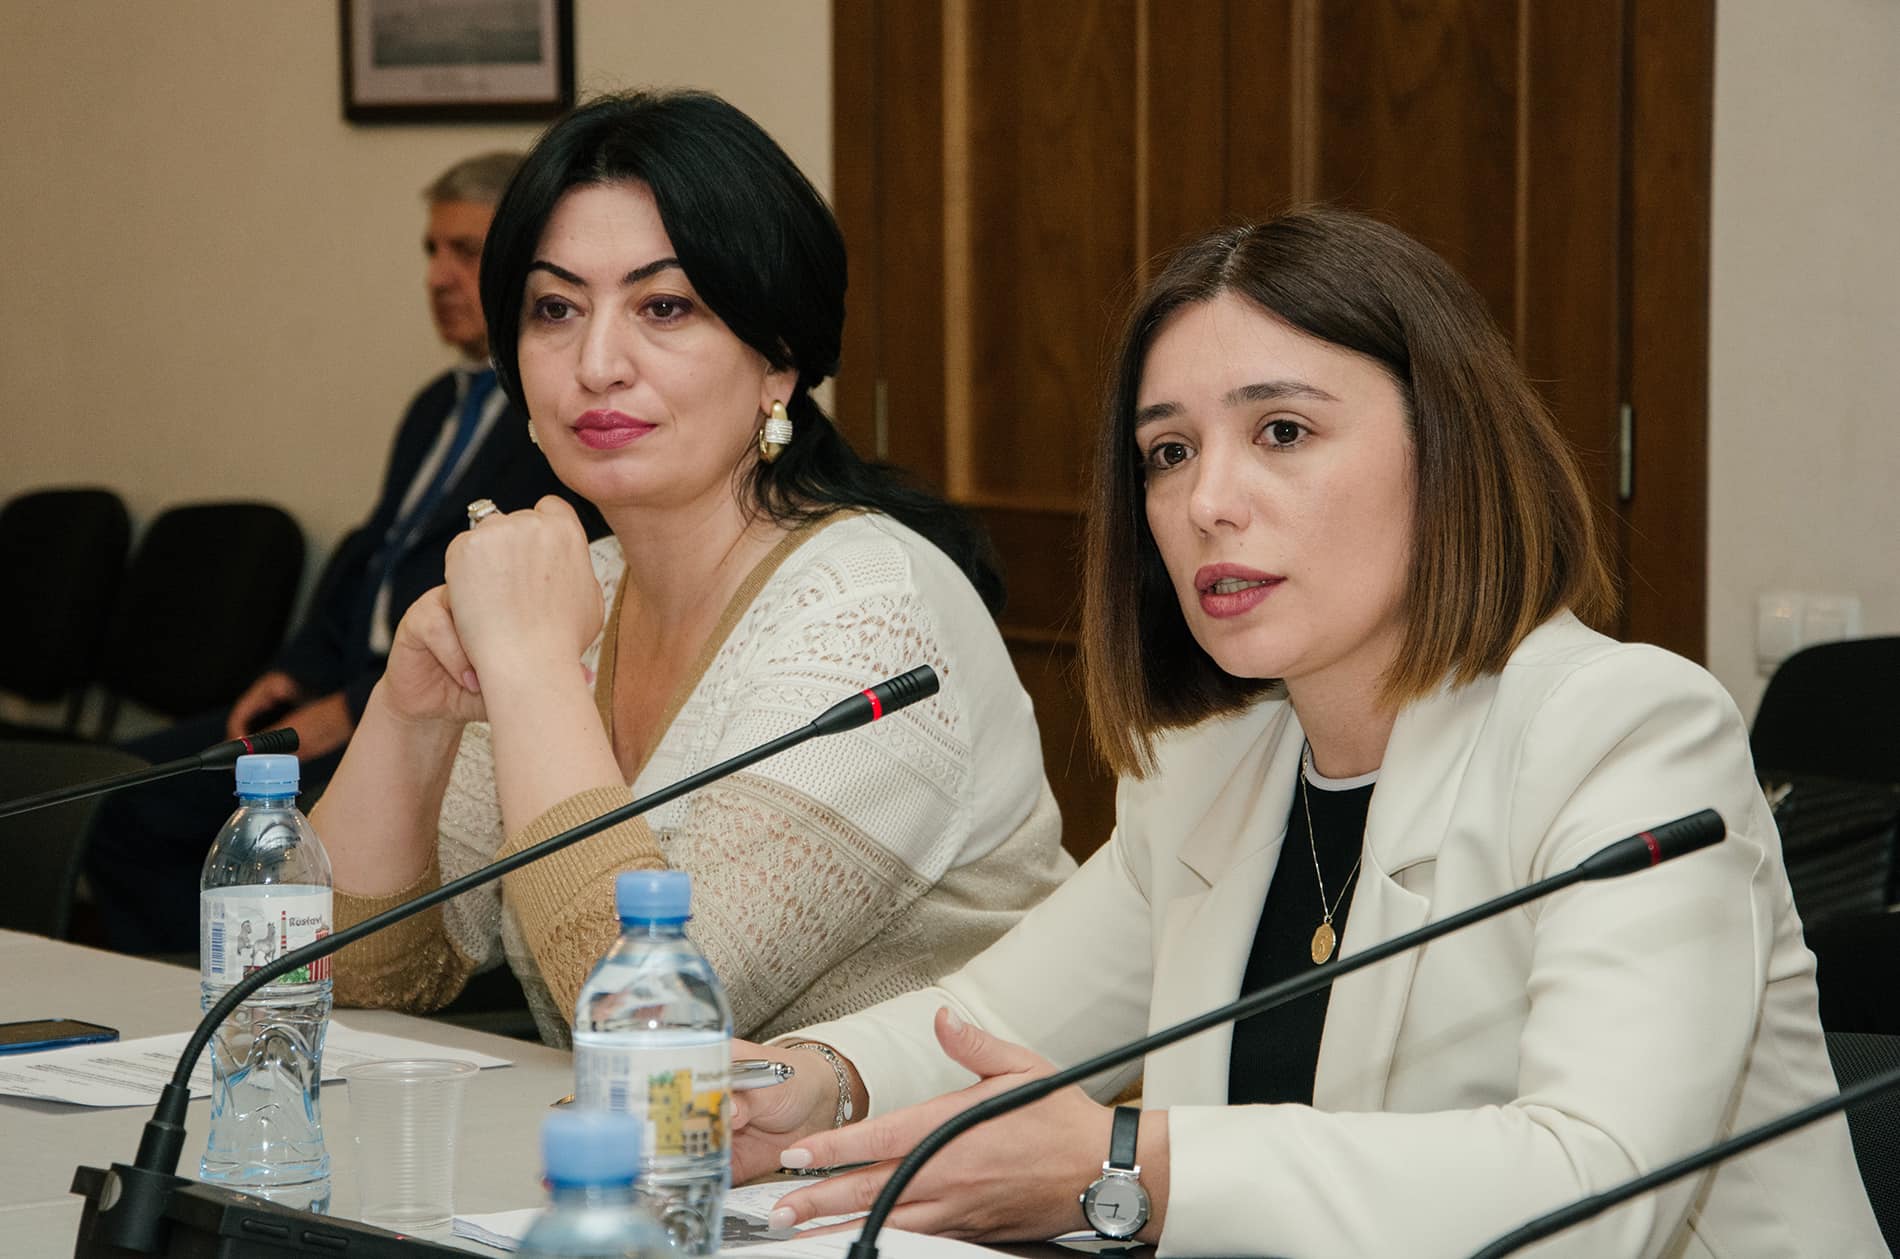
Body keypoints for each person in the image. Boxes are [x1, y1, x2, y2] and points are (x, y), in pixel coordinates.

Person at [731, 209, 1884, 1256]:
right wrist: (810, 1080)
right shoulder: (1210, 768)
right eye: (1168, 451)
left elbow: (1590, 1189)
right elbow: (992, 1019)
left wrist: (1130, 1162)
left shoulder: (1628, 735)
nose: (1206, 501)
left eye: (1281, 429)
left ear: (1447, 447)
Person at [315, 91, 1074, 1046]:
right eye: (555, 308)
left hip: (935, 1143)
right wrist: (407, 713)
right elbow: (353, 970)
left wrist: (532, 669)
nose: (597, 362)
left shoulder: (874, 610)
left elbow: (649, 1014)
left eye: (664, 307)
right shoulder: (580, 589)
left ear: (778, 361)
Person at [84, 151, 600, 955]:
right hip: (340, 685)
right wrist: (297, 668)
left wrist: (353, 706)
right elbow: (373, 554)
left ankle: (225, 988)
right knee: (107, 786)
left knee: (183, 821)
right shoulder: (436, 405)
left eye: (465, 252)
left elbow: (510, 605)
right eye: (431, 251)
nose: (438, 276)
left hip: (424, 707)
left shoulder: (560, 417)